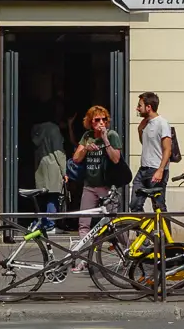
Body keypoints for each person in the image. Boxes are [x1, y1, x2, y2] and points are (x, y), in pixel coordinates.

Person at [71, 105, 122, 273]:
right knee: (84, 224)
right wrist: (86, 148)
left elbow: (116, 159)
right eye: (97, 120)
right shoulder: (87, 136)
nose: (101, 123)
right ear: (90, 122)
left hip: (107, 187)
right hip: (90, 186)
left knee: (114, 225)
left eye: (104, 120)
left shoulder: (112, 135)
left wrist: (106, 139)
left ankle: (130, 254)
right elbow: (76, 159)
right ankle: (82, 260)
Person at [130, 92, 172, 213]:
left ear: (149, 107)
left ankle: (164, 232)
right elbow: (146, 144)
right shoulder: (146, 123)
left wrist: (160, 170)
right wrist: (139, 130)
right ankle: (144, 231)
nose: (137, 108)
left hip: (156, 169)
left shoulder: (162, 123)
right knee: (135, 204)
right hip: (143, 169)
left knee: (159, 206)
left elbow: (167, 149)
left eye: (140, 105)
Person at [30, 101, 66, 234]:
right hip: (53, 166)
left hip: (40, 166)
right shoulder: (53, 129)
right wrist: (64, 171)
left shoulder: (36, 129)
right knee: (53, 196)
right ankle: (50, 224)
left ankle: (40, 222)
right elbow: (58, 152)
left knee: (42, 197)